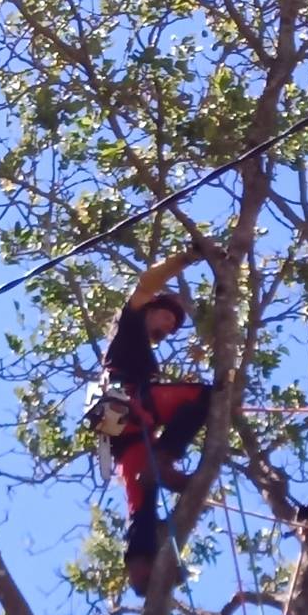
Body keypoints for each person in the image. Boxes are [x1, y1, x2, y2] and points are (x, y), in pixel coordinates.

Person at [101, 246, 212, 596]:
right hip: (129, 404)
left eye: (175, 326)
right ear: (151, 309)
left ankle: (141, 569)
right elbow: (147, 283)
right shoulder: (129, 324)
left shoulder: (144, 353)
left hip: (127, 432)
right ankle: (164, 459)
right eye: (168, 318)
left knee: (142, 502)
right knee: (204, 396)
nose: (170, 327)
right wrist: (186, 259)